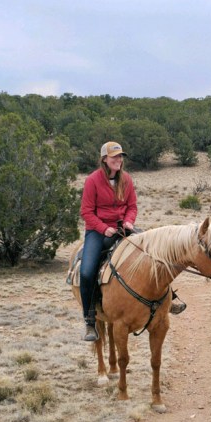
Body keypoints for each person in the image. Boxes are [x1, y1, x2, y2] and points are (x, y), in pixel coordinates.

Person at [77, 141, 184, 342]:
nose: (118, 160)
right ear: (104, 159)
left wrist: (128, 221)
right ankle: (90, 320)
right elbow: (86, 212)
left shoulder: (126, 179)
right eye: (114, 157)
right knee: (87, 270)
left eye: (120, 156)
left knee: (155, 254)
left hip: (123, 228)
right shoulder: (92, 181)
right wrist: (103, 228)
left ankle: (170, 299)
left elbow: (132, 206)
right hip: (98, 232)